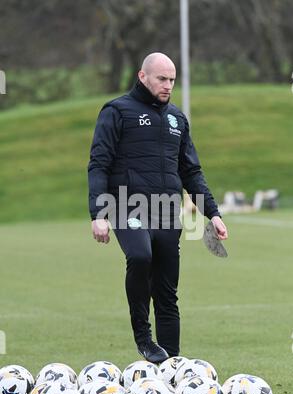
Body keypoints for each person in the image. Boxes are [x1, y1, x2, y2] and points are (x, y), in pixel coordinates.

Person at [88, 52, 228, 364]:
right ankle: (144, 338)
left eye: (172, 80)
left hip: (166, 211)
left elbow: (191, 172)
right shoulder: (116, 111)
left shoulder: (177, 118)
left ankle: (172, 363)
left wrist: (213, 213)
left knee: (167, 290)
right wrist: (98, 214)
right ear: (143, 76)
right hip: (126, 205)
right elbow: (99, 163)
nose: (168, 86)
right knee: (140, 256)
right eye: (162, 79)